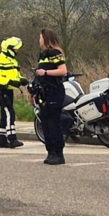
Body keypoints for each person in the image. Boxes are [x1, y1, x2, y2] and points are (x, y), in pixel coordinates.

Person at [35, 28, 68, 165]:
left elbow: (63, 71)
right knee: (45, 122)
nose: (39, 40)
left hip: (54, 91)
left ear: (46, 38)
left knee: (54, 123)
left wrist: (46, 72)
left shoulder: (56, 53)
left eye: (41, 37)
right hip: (44, 92)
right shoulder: (42, 55)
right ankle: (50, 152)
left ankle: (58, 153)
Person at [0, 36, 27, 149]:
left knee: (5, 114)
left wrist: (21, 80)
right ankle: (12, 138)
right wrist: (10, 82)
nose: (17, 51)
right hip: (0, 90)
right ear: (9, 49)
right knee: (10, 113)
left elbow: (15, 75)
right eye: (16, 49)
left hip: (9, 90)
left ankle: (2, 140)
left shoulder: (13, 61)